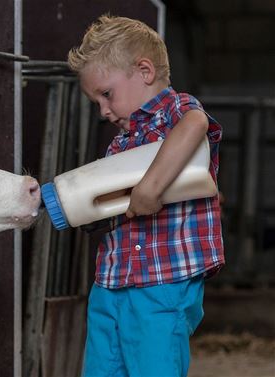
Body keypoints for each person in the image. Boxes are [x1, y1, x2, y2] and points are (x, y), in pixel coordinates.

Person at [67, 15, 224, 377]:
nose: (104, 111)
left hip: (162, 283)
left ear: (144, 71)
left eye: (106, 95)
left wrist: (151, 187)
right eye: (96, 102)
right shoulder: (120, 144)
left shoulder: (175, 113)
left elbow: (197, 124)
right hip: (110, 282)